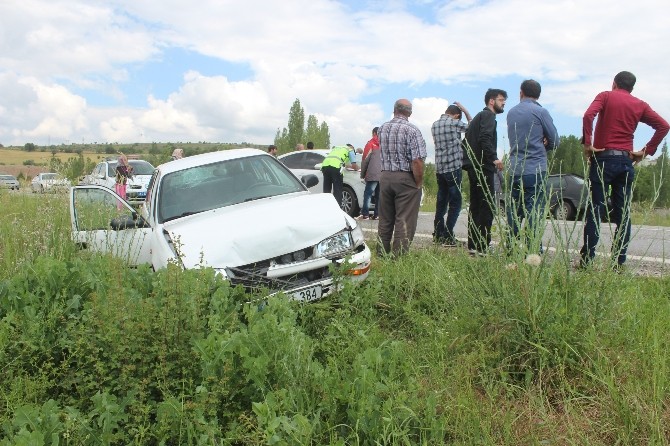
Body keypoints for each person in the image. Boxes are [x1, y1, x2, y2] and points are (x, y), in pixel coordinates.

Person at [580, 71, 669, 269]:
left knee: (596, 210)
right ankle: (618, 262)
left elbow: (588, 115)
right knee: (623, 213)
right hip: (625, 161)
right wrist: (645, 152)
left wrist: (588, 143)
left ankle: (587, 261)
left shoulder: (605, 96)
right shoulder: (640, 105)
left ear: (614, 83)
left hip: (602, 158)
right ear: (632, 88)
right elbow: (663, 126)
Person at [506, 79, 559, 254]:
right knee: (534, 210)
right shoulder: (541, 111)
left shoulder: (511, 112)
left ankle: (511, 248)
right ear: (538, 95)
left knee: (514, 211)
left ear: (521, 92)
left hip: (515, 168)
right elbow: (555, 140)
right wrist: (545, 144)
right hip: (535, 168)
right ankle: (534, 249)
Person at [377, 99, 427, 256]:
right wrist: (418, 183)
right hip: (405, 178)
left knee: (385, 219)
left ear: (394, 110)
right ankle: (398, 258)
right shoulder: (412, 130)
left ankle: (381, 253)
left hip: (385, 177)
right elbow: (417, 161)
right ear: (409, 112)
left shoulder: (382, 128)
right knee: (404, 220)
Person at [462, 88, 507, 256]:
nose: (503, 103)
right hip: (483, 166)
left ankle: (474, 245)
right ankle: (483, 247)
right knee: (486, 207)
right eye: (501, 99)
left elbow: (467, 141)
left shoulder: (478, 118)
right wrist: (494, 158)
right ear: (491, 101)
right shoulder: (488, 116)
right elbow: (485, 138)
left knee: (475, 206)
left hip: (474, 166)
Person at [432, 102, 472, 247]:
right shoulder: (453, 123)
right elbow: (471, 127)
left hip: (440, 169)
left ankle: (438, 234)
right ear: (456, 115)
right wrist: (466, 110)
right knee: (456, 203)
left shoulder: (435, 124)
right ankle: (448, 236)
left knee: (441, 203)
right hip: (453, 168)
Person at [358, 127, 382, 220]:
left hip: (372, 174)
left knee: (368, 193)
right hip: (382, 174)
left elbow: (365, 160)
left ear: (374, 133)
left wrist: (363, 174)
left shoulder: (370, 143)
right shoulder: (384, 145)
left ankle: (365, 214)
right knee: (379, 195)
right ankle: (377, 215)